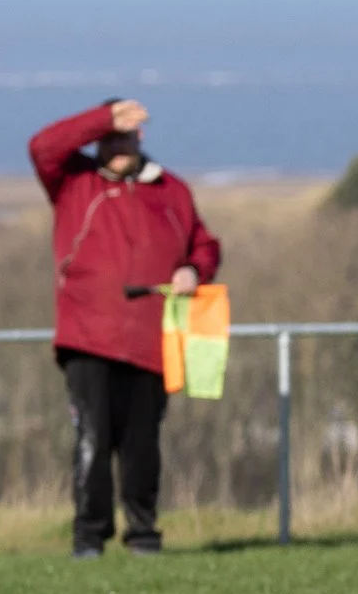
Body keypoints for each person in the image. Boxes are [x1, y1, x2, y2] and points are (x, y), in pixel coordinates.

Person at [28, 99, 221, 558]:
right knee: (92, 441)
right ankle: (89, 539)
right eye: (109, 138)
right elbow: (42, 147)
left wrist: (195, 269)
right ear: (97, 141)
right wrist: (102, 117)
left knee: (142, 446)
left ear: (141, 139)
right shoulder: (74, 182)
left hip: (152, 341)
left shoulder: (172, 190)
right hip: (87, 339)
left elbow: (205, 244)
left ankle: (144, 535)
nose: (118, 147)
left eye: (125, 137)